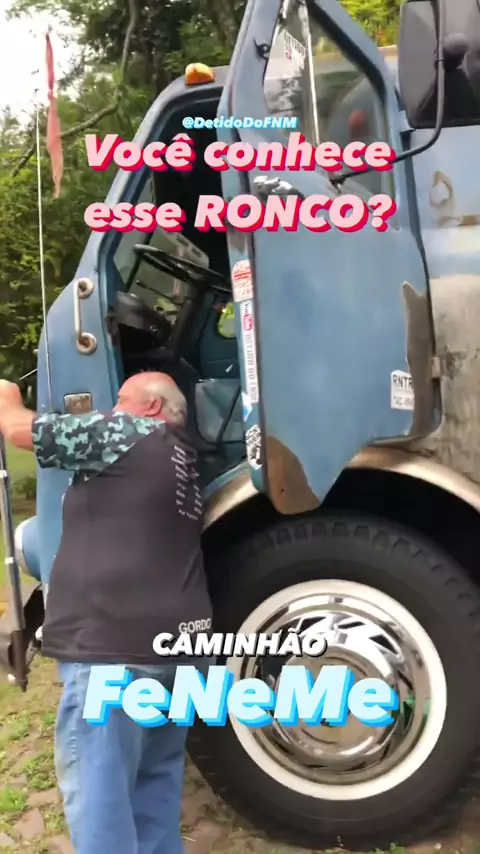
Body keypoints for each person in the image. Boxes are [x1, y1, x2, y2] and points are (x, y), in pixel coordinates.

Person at [0, 372, 214, 854]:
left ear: (152, 408)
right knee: (154, 783)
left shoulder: (129, 432)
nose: (111, 410)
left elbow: (18, 429)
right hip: (182, 648)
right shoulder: (185, 458)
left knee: (100, 798)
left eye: (120, 400)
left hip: (115, 646)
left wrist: (6, 394)